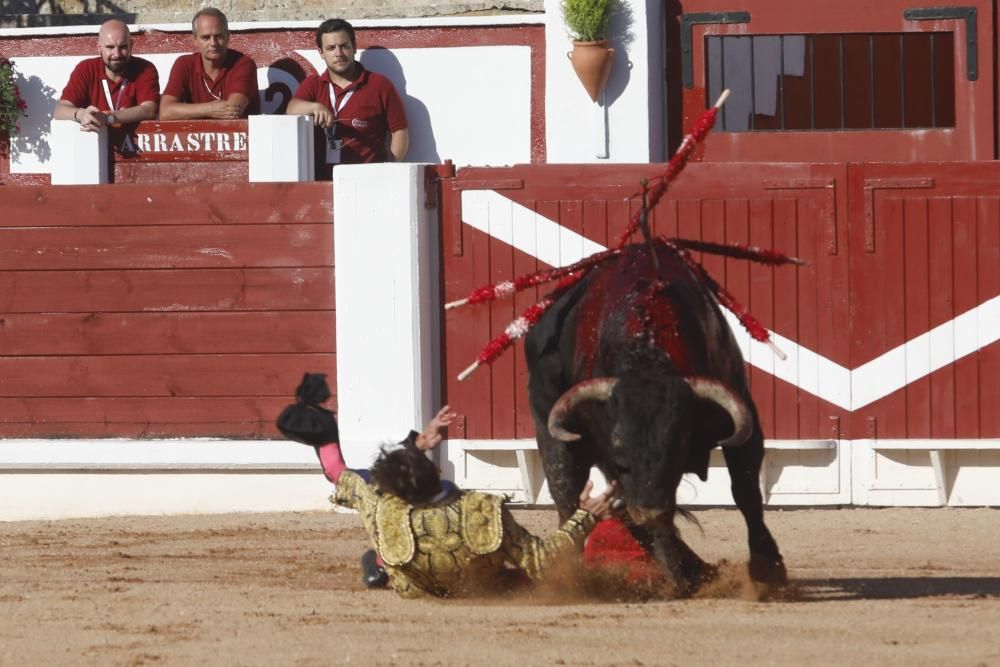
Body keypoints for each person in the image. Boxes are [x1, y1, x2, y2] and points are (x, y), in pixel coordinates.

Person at [277, 373, 618, 599]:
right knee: (522, 579)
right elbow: (542, 561)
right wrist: (584, 518)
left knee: (377, 553)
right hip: (483, 590)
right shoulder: (482, 509)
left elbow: (340, 473)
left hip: (418, 588)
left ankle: (379, 565)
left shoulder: (378, 502)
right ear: (437, 469)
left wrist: (326, 437)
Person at [287, 18, 409, 164]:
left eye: (344, 46)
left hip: (366, 179)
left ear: (354, 47)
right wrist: (314, 107)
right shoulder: (314, 84)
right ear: (321, 52)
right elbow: (291, 109)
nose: (339, 53)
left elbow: (399, 131)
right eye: (331, 48)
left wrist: (391, 167)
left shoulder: (379, 84)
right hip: (322, 182)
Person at [54, 19, 159, 132]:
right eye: (110, 47)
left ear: (131, 45)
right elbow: (60, 110)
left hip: (133, 146)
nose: (117, 54)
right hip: (94, 146)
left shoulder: (145, 68)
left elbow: (149, 109)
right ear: (99, 48)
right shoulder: (86, 69)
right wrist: (81, 114)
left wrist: (109, 118)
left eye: (123, 47)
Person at [159, 8, 260, 120]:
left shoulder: (243, 64)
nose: (213, 43)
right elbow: (165, 112)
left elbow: (232, 111)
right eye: (206, 37)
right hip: (194, 136)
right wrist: (209, 109)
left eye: (218, 36)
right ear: (195, 40)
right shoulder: (184, 64)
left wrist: (189, 111)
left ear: (228, 37)